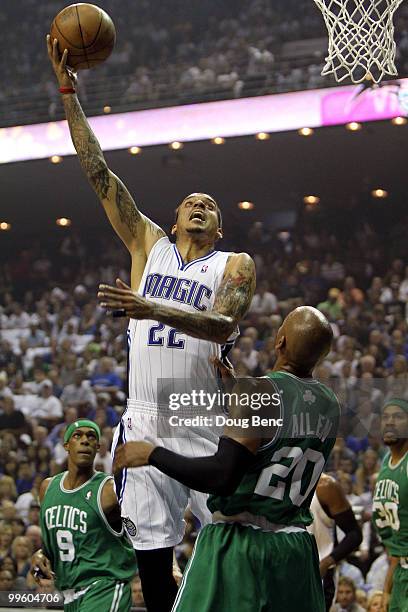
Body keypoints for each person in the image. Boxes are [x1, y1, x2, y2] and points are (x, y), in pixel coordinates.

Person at [47, 35, 255, 612]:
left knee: (232, 543)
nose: (199, 204)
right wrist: (69, 92)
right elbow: (97, 171)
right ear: (174, 217)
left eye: (210, 205)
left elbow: (221, 325)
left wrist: (150, 308)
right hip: (144, 418)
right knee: (155, 566)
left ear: (218, 227)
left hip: (202, 415)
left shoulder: (232, 265)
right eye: (191, 200)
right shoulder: (149, 246)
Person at [113, 306, 341, 611]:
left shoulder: (257, 393)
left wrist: (152, 454)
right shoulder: (330, 404)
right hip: (295, 548)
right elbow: (282, 424)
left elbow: (221, 476)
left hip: (241, 544)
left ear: (280, 341)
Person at [30, 419, 136, 611]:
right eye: (78, 436)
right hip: (69, 595)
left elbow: (149, 528)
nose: (85, 440)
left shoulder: (109, 490)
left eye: (91, 436)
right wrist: (40, 554)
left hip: (105, 587)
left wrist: (171, 566)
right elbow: (52, 543)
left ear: (97, 447)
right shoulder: (48, 488)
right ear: (66, 446)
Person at [372, 398, 408, 612]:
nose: (390, 422)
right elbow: (395, 544)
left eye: (398, 417)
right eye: (385, 417)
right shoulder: (386, 462)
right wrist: (387, 589)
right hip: (399, 573)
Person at [307, 473, 362, 611]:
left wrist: (326, 563)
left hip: (318, 574)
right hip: (282, 568)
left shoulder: (325, 485)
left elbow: (354, 534)